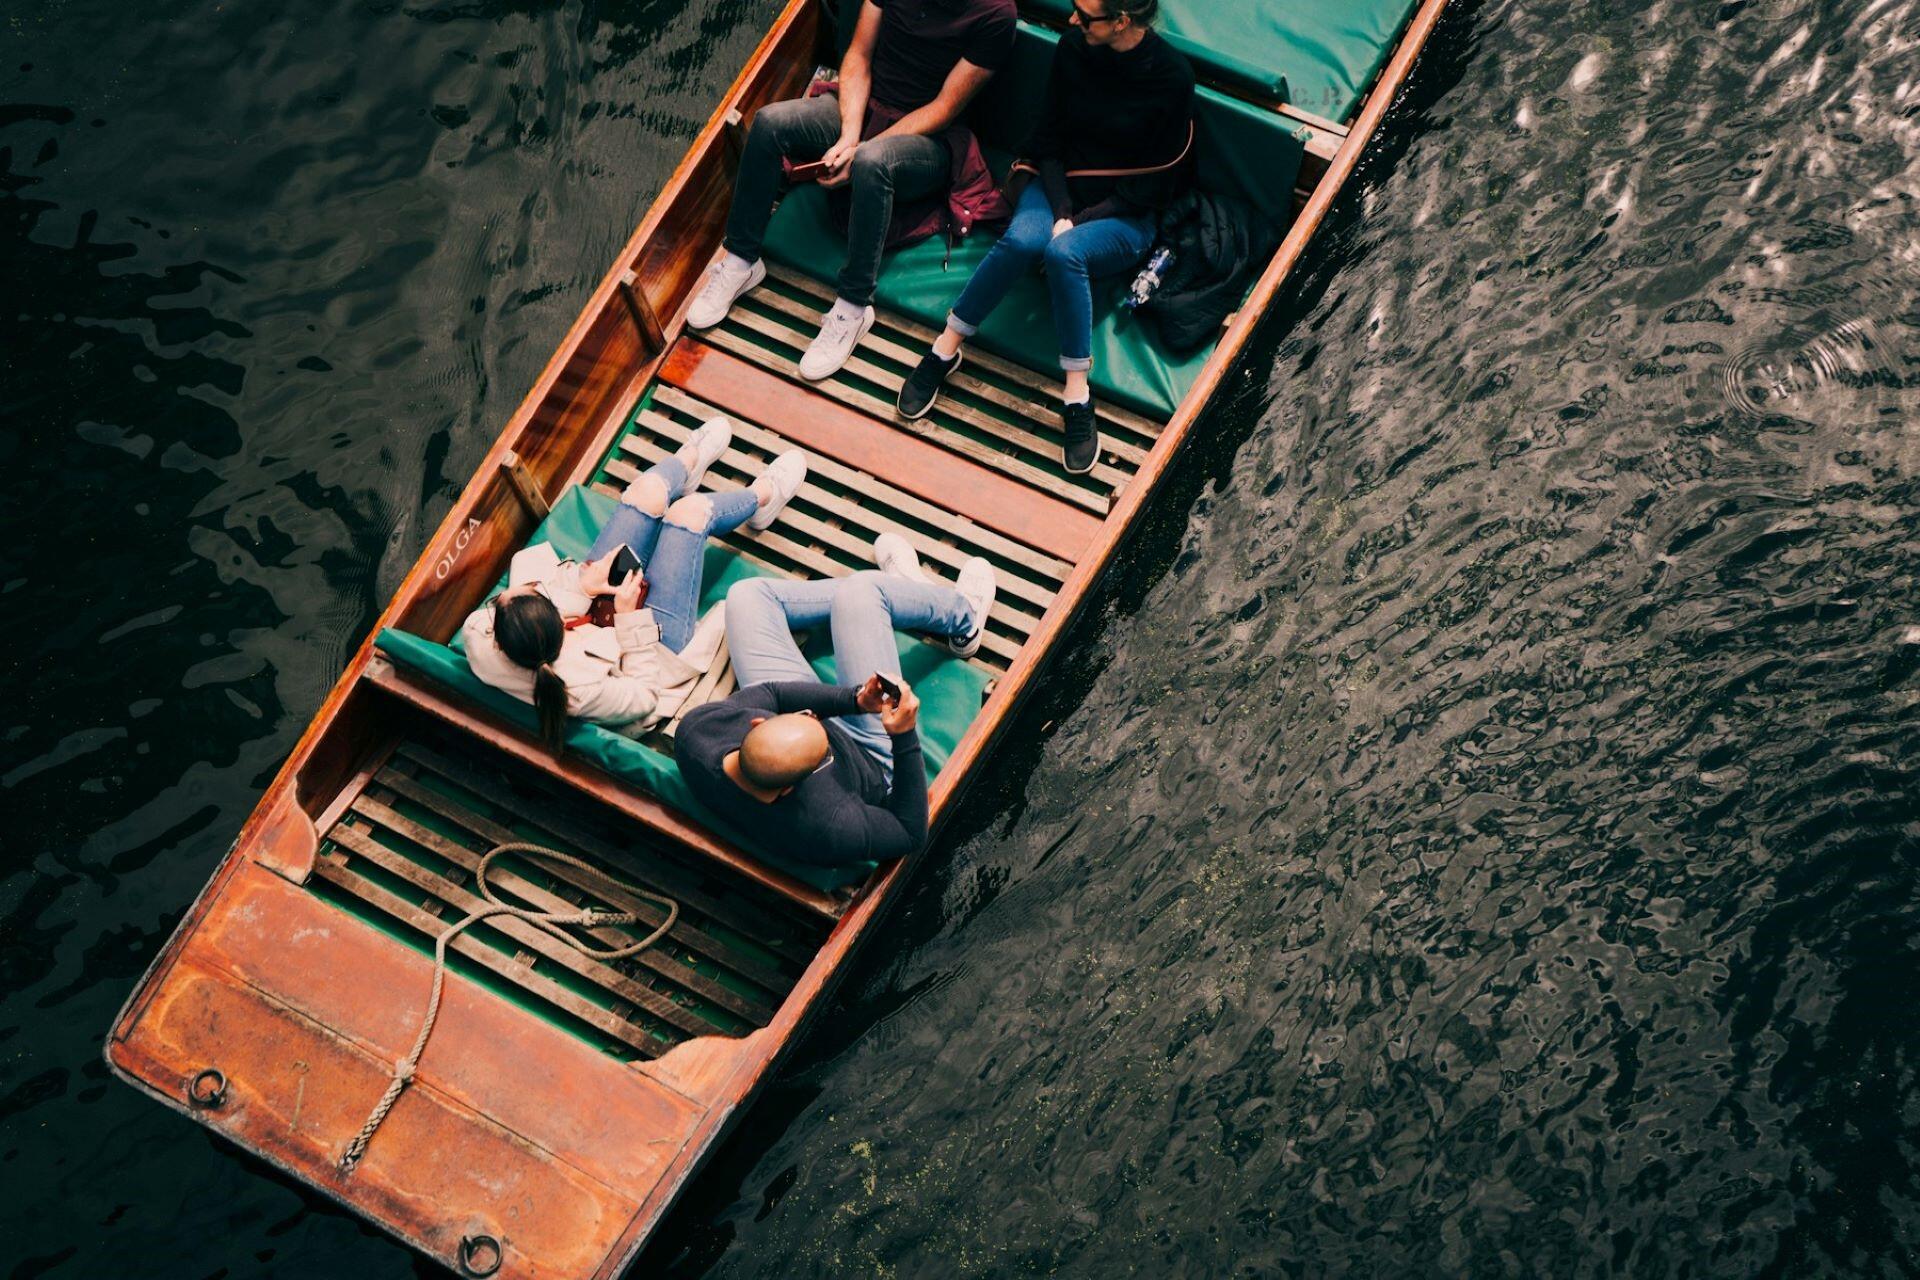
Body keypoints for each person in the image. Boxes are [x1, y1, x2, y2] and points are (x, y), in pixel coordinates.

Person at [895, 0, 1194, 475]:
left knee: (1064, 253)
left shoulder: (1171, 79)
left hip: (1126, 214)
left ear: (1122, 22)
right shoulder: (1074, 48)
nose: (1073, 19)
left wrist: (1078, 221)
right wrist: (1061, 210)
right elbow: (1048, 141)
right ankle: (945, 348)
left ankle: (1077, 394)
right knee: (1020, 242)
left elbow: (1153, 186)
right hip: (1059, 190)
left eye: (1085, 13)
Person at [685, 0, 1018, 381]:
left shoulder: (996, 14)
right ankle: (742, 260)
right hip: (866, 107)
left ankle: (853, 307)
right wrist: (849, 134)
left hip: (929, 140)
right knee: (770, 123)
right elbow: (858, 55)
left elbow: (943, 107)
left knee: (872, 163)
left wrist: (859, 152)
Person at [462, 418, 807, 746]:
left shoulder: (482, 641)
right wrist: (629, 619)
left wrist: (583, 588)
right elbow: (645, 697)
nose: (502, 597)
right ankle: (763, 496)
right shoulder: (583, 692)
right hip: (652, 647)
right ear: (556, 622)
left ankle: (688, 460)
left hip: (592, 613)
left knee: (647, 492)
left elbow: (483, 620)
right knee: (689, 514)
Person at [673, 533, 998, 866]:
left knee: (747, 595)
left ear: (756, 723)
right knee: (862, 591)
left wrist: (854, 699)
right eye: (819, 733)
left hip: (842, 715)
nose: (816, 717)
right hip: (873, 755)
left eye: (802, 718)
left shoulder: (698, 732)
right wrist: (903, 735)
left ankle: (899, 596)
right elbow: (910, 832)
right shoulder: (828, 824)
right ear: (791, 789)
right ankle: (964, 619)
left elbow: (773, 693)